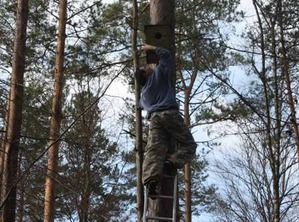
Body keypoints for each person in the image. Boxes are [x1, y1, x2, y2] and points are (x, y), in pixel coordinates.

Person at [135, 44, 197, 197]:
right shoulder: (157, 76)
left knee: (155, 150)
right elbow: (166, 54)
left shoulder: (144, 94)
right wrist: (151, 47)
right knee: (189, 145)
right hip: (169, 114)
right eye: (145, 68)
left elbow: (140, 106)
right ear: (145, 75)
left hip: (155, 120)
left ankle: (151, 182)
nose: (148, 67)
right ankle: (172, 163)